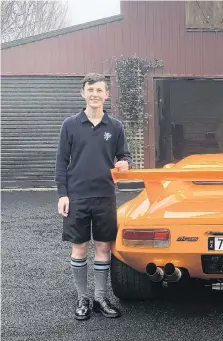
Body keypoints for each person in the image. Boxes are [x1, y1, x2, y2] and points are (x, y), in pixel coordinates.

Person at [55, 73, 132, 320]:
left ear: (106, 94)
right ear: (83, 93)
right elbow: (61, 162)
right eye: (91, 90)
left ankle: (100, 297)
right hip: (77, 196)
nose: (95, 94)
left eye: (99, 90)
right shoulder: (70, 125)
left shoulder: (116, 126)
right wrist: (62, 194)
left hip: (104, 195)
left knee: (103, 248)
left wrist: (124, 164)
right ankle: (83, 298)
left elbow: (125, 156)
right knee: (79, 249)